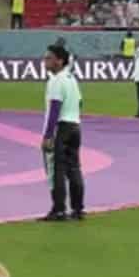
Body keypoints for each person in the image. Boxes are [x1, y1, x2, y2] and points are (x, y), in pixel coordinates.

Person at [40, 43, 83, 221]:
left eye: (49, 58)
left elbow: (54, 108)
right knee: (74, 168)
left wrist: (48, 135)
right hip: (75, 125)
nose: (45, 61)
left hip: (61, 127)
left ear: (59, 61)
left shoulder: (56, 81)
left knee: (56, 169)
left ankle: (58, 209)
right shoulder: (71, 79)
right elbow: (80, 102)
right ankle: (78, 208)